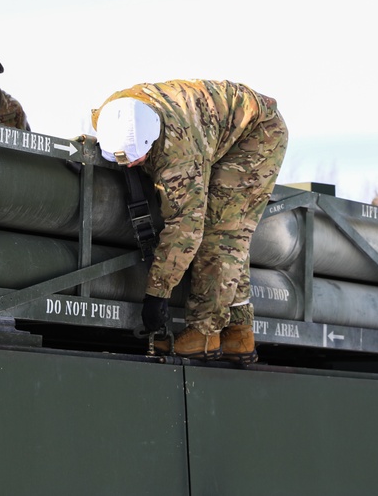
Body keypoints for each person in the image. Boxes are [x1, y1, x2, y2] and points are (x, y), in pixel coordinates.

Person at [91, 79, 288, 364]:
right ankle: (238, 331)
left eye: (137, 159)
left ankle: (206, 333)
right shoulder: (112, 115)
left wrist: (156, 295)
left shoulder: (178, 154)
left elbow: (186, 229)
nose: (131, 165)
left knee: (222, 232)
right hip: (211, 126)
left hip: (258, 133)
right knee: (225, 230)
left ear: (152, 140)